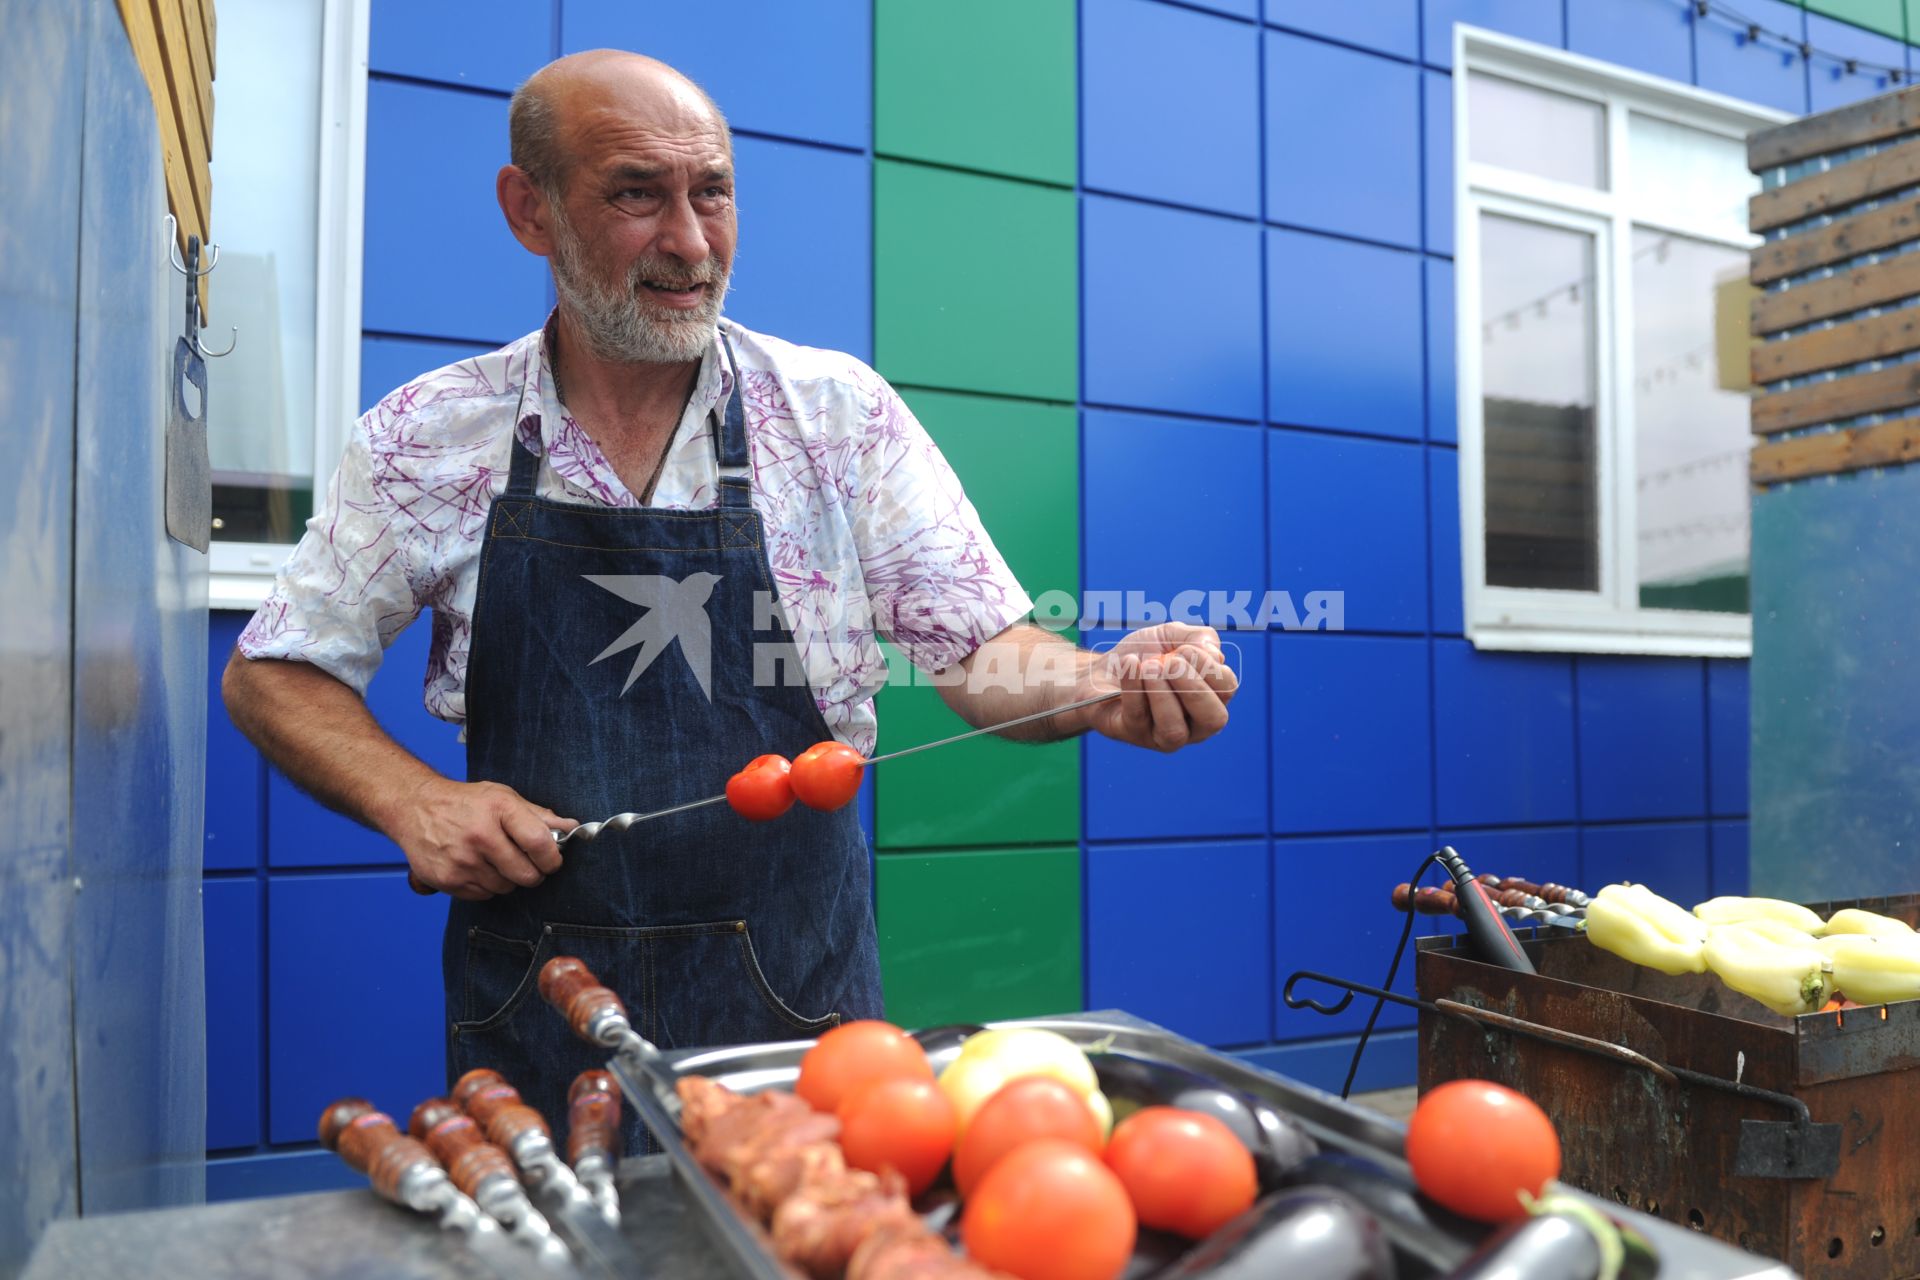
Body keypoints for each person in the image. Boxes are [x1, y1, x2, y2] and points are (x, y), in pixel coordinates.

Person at [223, 50, 1238, 1146]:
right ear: (532, 210)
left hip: (804, 1015)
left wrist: (1098, 683)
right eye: (635, 193)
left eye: (711, 191)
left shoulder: (836, 415)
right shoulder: (432, 437)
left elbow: (980, 652)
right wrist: (413, 800)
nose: (691, 243)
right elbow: (274, 669)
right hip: (541, 1012)